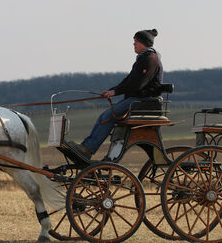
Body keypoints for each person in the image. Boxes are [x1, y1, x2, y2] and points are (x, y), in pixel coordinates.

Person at [68, 28, 164, 159]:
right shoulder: (143, 58)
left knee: (108, 116)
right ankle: (87, 147)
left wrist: (114, 92)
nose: (134, 44)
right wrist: (111, 91)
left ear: (144, 43)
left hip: (143, 102)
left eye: (136, 41)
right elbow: (128, 81)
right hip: (137, 100)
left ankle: (88, 149)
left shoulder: (150, 59)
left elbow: (137, 85)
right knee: (104, 117)